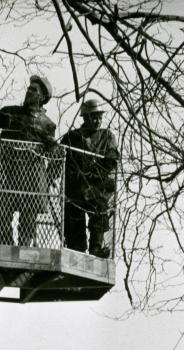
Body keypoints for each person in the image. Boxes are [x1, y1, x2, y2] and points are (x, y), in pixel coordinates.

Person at [0, 75, 56, 246]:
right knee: (3, 213)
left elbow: (55, 156)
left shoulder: (47, 124)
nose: (28, 91)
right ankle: (4, 246)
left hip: (32, 178)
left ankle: (25, 249)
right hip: (8, 173)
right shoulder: (9, 113)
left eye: (34, 90)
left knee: (28, 219)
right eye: (29, 88)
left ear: (42, 97)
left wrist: (48, 177)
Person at [61, 98, 119, 258]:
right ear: (85, 118)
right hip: (75, 188)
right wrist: (52, 175)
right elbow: (58, 157)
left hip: (97, 187)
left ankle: (96, 248)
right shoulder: (72, 137)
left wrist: (111, 157)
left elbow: (113, 154)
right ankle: (76, 253)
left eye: (100, 117)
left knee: (100, 212)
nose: (98, 120)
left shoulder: (107, 136)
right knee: (73, 222)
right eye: (94, 116)